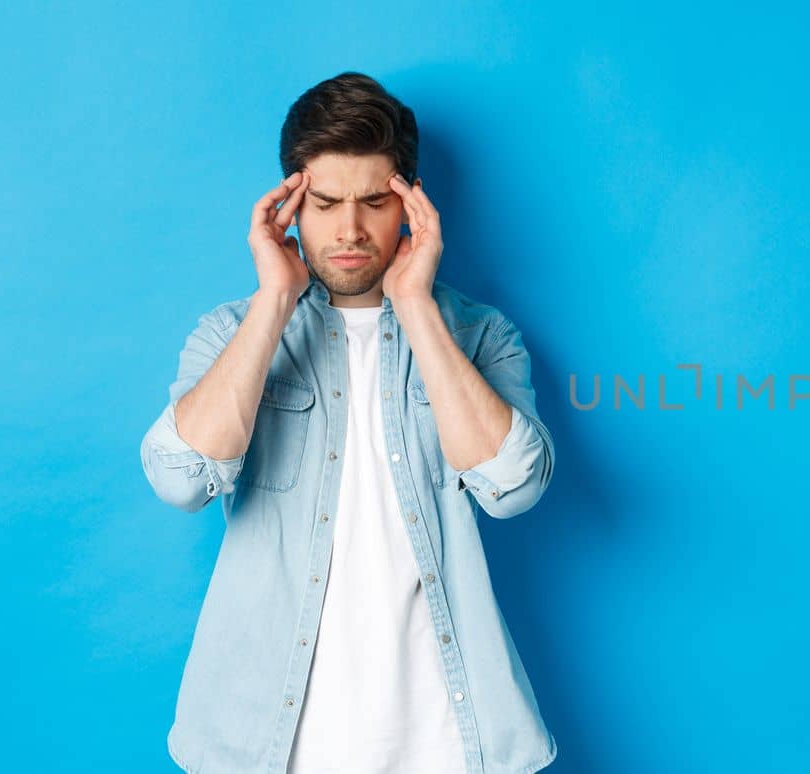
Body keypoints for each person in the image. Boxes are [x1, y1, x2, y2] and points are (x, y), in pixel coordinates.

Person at [138, 71, 559, 774]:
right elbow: (180, 480)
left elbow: (513, 488)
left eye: (373, 202)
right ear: (292, 204)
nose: (351, 229)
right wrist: (276, 298)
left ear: (412, 204)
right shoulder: (230, 333)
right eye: (327, 203)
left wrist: (418, 306)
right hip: (269, 740)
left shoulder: (481, 336)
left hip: (447, 740)